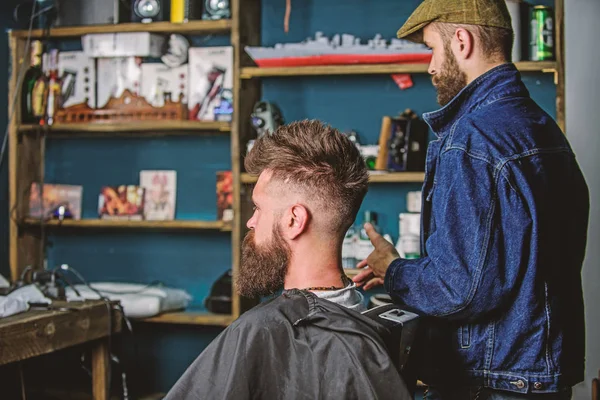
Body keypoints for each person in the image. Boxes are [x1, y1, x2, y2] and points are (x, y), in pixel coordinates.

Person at [353, 0, 590, 399]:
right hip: (540, 376)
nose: (429, 66)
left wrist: (393, 269)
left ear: (461, 41)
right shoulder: (544, 129)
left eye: (431, 48)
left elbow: (457, 288)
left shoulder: (471, 138)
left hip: (490, 382)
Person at [164, 120, 412, 400]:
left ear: (294, 220)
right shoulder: (365, 319)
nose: (251, 221)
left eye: (258, 208)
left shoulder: (259, 330)